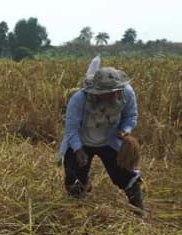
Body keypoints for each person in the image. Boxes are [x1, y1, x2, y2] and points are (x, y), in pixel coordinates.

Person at [57, 67, 144, 212]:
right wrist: (78, 149)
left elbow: (131, 116)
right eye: (106, 94)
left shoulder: (127, 93)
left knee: (127, 176)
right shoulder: (79, 99)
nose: (112, 97)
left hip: (111, 142)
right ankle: (78, 209)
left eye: (114, 92)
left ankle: (139, 212)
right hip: (82, 141)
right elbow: (71, 128)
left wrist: (125, 130)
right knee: (75, 180)